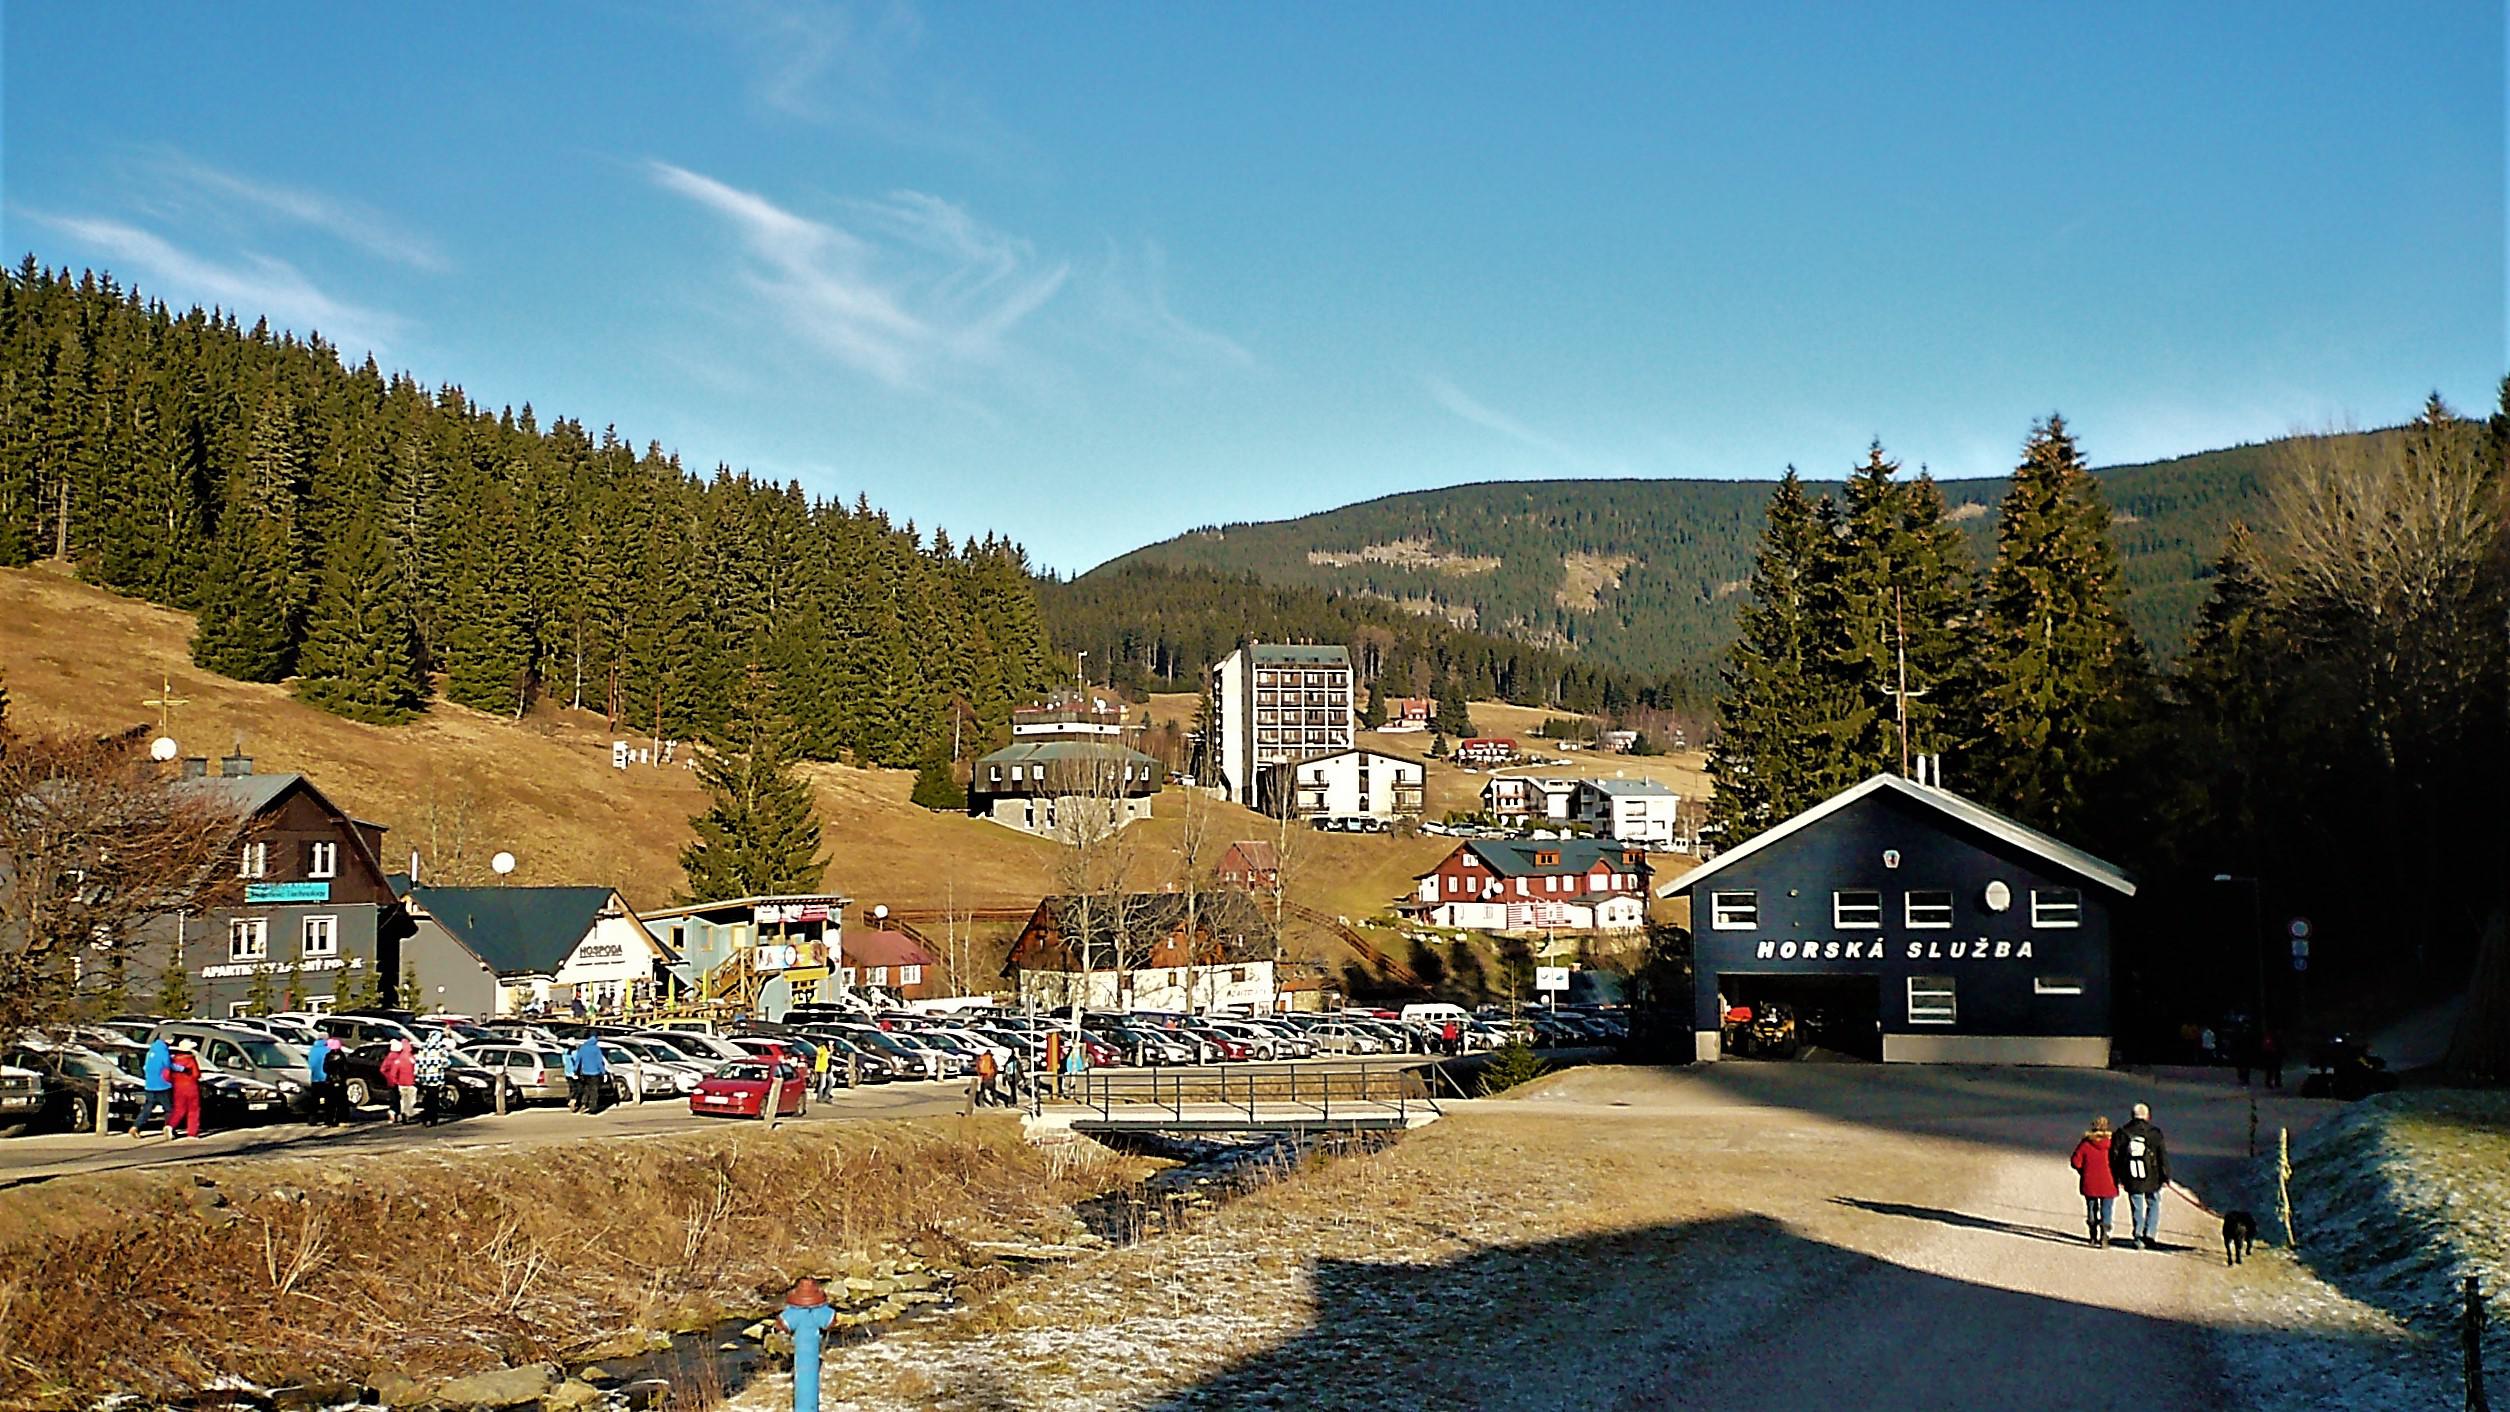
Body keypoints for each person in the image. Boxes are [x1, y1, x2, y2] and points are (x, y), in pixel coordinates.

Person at [2110, 1102, 2171, 1249]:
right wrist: (2166, 1176)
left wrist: (2117, 1176)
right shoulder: (2155, 1133)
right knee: (2154, 1202)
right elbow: (2162, 1155)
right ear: (2148, 1116)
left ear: (2132, 1116)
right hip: (2153, 1176)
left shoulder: (2122, 1133)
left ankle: (2138, 1236)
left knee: (2136, 1205)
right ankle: (2149, 1234)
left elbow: (2115, 1157)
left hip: (2131, 1175)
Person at [779, 1276, 836, 1412]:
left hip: (801, 1354)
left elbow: (782, 1323)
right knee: (809, 1381)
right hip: (811, 1353)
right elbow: (831, 1321)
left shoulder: (793, 1314)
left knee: (803, 1381)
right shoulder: (821, 1312)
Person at [2070, 1115, 2120, 1247]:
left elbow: (2076, 1162)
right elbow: (2119, 1161)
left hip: (2089, 1181)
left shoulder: (2086, 1144)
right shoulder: (2113, 1144)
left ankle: (2092, 1235)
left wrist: (2083, 1171)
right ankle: (2105, 1235)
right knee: (2107, 1209)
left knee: (2092, 1207)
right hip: (2109, 1182)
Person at [134, 1035, 174, 1137]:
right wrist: (182, 1068)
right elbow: (168, 1065)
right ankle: (169, 1128)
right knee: (169, 1109)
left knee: (147, 1108)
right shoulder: (163, 1051)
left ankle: (136, 1126)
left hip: (150, 1084)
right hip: (162, 1085)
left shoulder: (151, 1051)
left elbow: (145, 1066)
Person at [414, 1031, 454, 1127]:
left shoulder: (423, 1049)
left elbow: (418, 1063)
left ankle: (426, 1116)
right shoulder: (440, 1050)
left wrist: (417, 1075)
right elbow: (446, 1063)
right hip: (436, 1078)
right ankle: (433, 1119)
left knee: (427, 1097)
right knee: (434, 1098)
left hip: (424, 1077)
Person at [165, 1040, 204, 1140]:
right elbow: (196, 1074)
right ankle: (192, 1133)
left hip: (178, 1087)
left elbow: (167, 1075)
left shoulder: (173, 1060)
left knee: (179, 1109)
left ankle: (170, 1125)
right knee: (193, 1110)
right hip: (191, 1087)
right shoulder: (191, 1059)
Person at [380, 1039, 418, 1124]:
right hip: (403, 1082)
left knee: (395, 1099)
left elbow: (383, 1069)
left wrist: (389, 1077)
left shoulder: (390, 1057)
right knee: (405, 1099)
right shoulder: (403, 1057)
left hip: (393, 1082)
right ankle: (404, 1113)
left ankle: (394, 1115)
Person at [573, 1034, 608, 1114]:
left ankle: (584, 1103)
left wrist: (575, 1071)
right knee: (594, 1091)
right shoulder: (596, 1049)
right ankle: (592, 1108)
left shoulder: (582, 1048)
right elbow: (599, 1062)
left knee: (586, 1089)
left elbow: (578, 1060)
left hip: (585, 1072)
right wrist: (604, 1072)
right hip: (595, 1073)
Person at [304, 1031, 333, 1126]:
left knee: (314, 1100)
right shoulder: (328, 1049)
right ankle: (327, 1119)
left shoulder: (313, 1050)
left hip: (315, 1078)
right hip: (326, 1077)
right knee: (328, 1100)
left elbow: (310, 1064)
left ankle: (312, 1119)